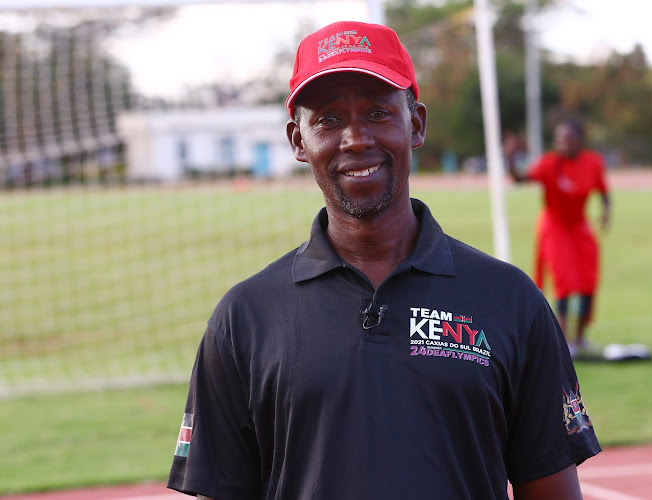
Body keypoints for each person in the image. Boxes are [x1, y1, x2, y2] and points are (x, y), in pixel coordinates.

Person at [167, 20, 600, 500]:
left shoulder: (510, 299)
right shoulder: (244, 317)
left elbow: (552, 490)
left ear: (414, 125)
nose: (355, 138)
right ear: (297, 141)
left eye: (377, 113)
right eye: (328, 120)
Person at [504, 121, 611, 359]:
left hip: (579, 227)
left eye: (567, 138)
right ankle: (563, 342)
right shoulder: (549, 164)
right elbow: (520, 180)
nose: (562, 143)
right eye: (559, 138)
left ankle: (580, 338)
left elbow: (603, 190)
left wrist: (606, 213)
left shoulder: (592, 162)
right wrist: (510, 158)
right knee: (564, 280)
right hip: (555, 227)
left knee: (587, 281)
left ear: (579, 140)